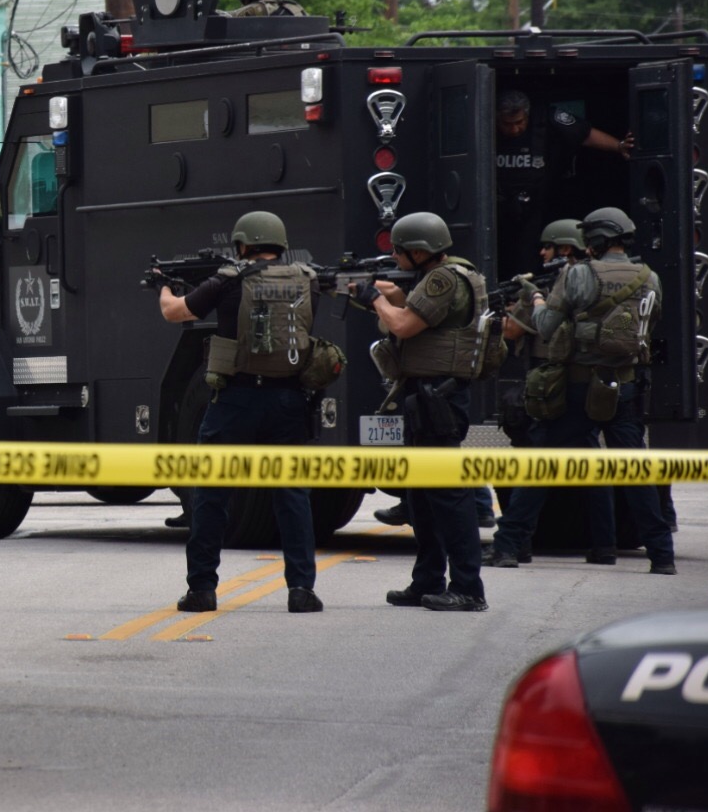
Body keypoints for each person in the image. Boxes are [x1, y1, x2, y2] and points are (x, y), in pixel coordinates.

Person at [155, 211, 324, 615]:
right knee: (292, 496)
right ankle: (301, 589)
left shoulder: (230, 280)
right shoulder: (307, 279)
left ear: (244, 245)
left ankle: (202, 589)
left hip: (236, 400)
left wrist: (164, 286)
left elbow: (175, 312)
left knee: (211, 493)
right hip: (289, 400)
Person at [528, 207, 676, 575]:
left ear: (595, 240)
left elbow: (547, 326)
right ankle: (662, 556)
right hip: (625, 385)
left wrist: (536, 301)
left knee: (542, 464)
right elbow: (649, 323)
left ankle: (509, 544)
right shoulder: (649, 276)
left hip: (580, 385)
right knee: (634, 473)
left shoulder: (579, 273)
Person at [354, 211, 489, 613]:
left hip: (439, 398)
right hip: (426, 396)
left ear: (420, 251)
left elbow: (404, 325)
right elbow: (411, 308)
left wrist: (374, 298)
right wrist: (383, 293)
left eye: (398, 250)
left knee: (448, 497)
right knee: (421, 498)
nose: (394, 255)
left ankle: (468, 587)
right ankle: (427, 580)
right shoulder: (452, 275)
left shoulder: (443, 279)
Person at [487, 219, 590, 567]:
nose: (542, 253)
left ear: (565, 248)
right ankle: (606, 545)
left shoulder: (561, 282)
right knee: (605, 469)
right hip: (591, 384)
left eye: (548, 247)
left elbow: (512, 331)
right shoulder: (598, 276)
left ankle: (511, 543)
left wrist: (523, 300)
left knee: (531, 469)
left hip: (552, 387)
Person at [495, 90, 633, 278]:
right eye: (507, 124)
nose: (514, 130)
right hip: (496, 208)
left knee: (527, 258)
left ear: (527, 115)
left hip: (534, 207)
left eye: (519, 123)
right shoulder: (485, 120)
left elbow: (584, 134)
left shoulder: (545, 119)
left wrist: (619, 146)